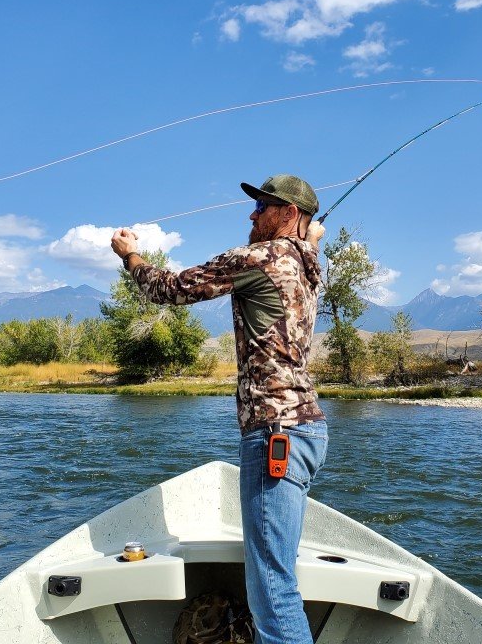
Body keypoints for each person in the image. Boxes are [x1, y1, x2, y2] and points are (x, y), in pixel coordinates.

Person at [111, 174, 327, 644]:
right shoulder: (309, 267)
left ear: (288, 213)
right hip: (306, 431)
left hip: (276, 433)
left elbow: (169, 289)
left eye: (263, 206)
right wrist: (310, 237)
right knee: (278, 575)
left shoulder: (259, 258)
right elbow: (308, 246)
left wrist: (129, 254)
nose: (252, 215)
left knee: (273, 590)